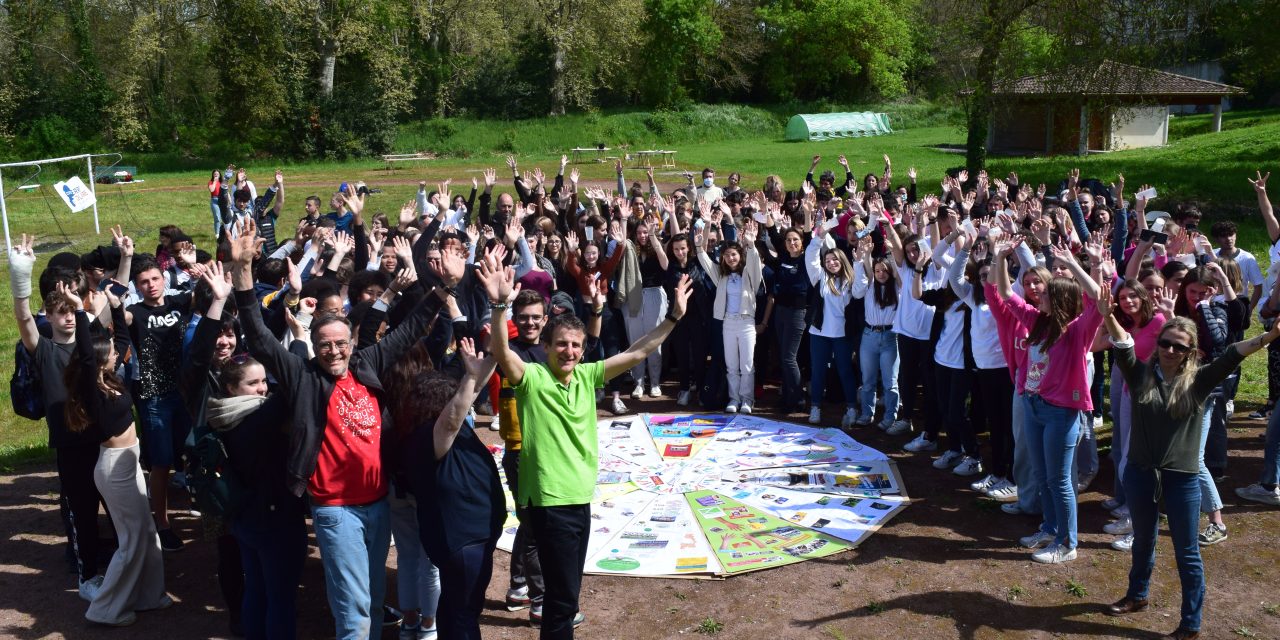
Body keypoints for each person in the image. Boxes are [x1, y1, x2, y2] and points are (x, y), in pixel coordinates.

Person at [228, 218, 461, 640]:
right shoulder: (302, 376)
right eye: (325, 345)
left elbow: (409, 329)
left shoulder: (365, 365)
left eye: (341, 344)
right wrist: (242, 272)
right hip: (336, 511)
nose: (334, 351)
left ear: (351, 344)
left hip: (376, 505)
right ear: (314, 348)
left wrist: (444, 288)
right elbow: (260, 339)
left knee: (371, 601)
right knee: (352, 613)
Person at [481, 245, 692, 640]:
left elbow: (638, 351)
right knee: (562, 602)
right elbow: (502, 352)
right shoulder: (532, 379)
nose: (570, 351)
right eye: (562, 344)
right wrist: (498, 308)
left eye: (576, 345)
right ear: (546, 347)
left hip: (579, 499)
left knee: (568, 598)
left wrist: (674, 317)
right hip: (548, 502)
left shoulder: (587, 375)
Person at [1099, 284, 1280, 640]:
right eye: (1165, 343)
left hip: (1180, 479)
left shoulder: (1198, 381)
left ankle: (1191, 624)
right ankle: (1138, 595)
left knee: (1187, 552)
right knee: (1143, 540)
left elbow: (1231, 354)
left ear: (1189, 352)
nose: (1169, 350)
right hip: (1138, 473)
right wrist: (1107, 314)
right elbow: (1122, 344)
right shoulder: (1140, 375)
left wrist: (1268, 337)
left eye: (1178, 346)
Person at [61, 282, 172, 626]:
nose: (116, 350)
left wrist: (115, 304)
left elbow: (123, 342)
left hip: (129, 463)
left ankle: (149, 595)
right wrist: (80, 310)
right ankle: (105, 608)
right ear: (98, 360)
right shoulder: (93, 390)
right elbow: (83, 350)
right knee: (131, 539)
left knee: (147, 533)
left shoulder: (112, 377)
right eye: (108, 349)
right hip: (114, 471)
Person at [992, 237, 1103, 565]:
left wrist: (1079, 264)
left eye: (1046, 293)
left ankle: (1067, 543)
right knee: (1042, 474)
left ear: (1060, 299)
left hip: (1061, 412)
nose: (1037, 294)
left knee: (1059, 479)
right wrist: (1000, 258)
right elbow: (1006, 295)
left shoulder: (1078, 331)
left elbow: (1096, 298)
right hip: (1033, 404)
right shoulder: (1036, 322)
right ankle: (1049, 527)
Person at [9, 235, 106, 597]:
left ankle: (131, 563)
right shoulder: (43, 349)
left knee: (117, 507)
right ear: (47, 317)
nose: (67, 317)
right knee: (81, 511)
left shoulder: (93, 341)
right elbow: (21, 315)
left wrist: (81, 305)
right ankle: (88, 577)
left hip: (107, 439)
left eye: (72, 311)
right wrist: (22, 274)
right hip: (70, 444)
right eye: (59, 312)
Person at [400, 337, 499, 639]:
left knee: (454, 611)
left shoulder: (445, 432)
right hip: (463, 543)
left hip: (470, 539)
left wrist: (494, 354)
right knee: (463, 618)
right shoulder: (429, 437)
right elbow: (453, 418)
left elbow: (469, 398)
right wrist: (468, 375)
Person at [695, 219, 763, 413]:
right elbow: (706, 262)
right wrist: (699, 246)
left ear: (739, 255)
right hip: (727, 323)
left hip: (746, 323)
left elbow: (754, 263)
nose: (731, 258)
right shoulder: (721, 275)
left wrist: (750, 244)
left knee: (747, 365)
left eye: (733, 254)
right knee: (731, 365)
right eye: (726, 255)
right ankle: (734, 399)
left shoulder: (749, 275)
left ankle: (747, 400)